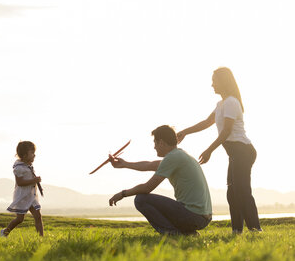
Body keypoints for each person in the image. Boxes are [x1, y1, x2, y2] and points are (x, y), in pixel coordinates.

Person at [177, 67, 261, 233]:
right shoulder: (221, 104)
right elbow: (207, 122)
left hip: (243, 151)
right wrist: (185, 132)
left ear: (224, 82)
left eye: (214, 81)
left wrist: (209, 150)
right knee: (232, 192)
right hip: (235, 153)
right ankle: (237, 230)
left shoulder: (231, 102)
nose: (212, 85)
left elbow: (227, 131)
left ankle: (255, 229)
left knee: (242, 191)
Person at [108, 125, 212, 236]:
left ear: (161, 142)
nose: (154, 147)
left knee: (141, 199)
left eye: (155, 143)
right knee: (145, 199)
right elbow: (149, 165)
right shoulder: (179, 155)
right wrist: (124, 164)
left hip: (194, 216)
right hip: (201, 217)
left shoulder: (172, 158)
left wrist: (123, 194)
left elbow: (147, 187)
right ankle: (188, 233)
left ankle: (172, 234)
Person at [0, 141, 44, 237]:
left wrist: (36, 183)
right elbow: (20, 182)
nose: (34, 155)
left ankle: (41, 238)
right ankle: (5, 232)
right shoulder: (19, 168)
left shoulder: (28, 165)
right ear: (24, 155)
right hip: (23, 196)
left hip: (31, 196)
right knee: (20, 219)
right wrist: (34, 180)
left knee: (38, 216)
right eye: (32, 153)